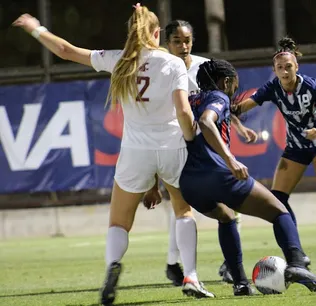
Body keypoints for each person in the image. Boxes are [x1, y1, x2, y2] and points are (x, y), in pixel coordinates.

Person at [12, 4, 215, 305]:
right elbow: (184, 112)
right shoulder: (174, 64)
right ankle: (192, 277)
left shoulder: (119, 60)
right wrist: (194, 143)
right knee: (183, 212)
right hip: (173, 146)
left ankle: (112, 267)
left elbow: (66, 51)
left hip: (135, 151)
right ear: (158, 34)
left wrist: (36, 28)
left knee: (119, 223)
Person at [179, 58, 316, 296]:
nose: (233, 90)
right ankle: (297, 264)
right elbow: (206, 122)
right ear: (226, 81)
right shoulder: (218, 97)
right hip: (218, 173)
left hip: (189, 183)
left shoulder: (189, 100)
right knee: (279, 211)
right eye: (233, 85)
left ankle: (240, 283)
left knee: (226, 216)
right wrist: (230, 160)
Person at [232, 37, 316, 274]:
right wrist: (234, 117)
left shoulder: (311, 86)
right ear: (274, 70)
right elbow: (239, 108)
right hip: (296, 147)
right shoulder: (272, 88)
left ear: (297, 67)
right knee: (277, 200)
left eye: (288, 67)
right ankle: (297, 254)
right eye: (279, 68)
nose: (284, 72)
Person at [158, 19, 256, 285]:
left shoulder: (204, 67)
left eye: (187, 40)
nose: (183, 45)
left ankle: (205, 264)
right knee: (183, 206)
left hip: (204, 145)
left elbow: (219, 100)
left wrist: (238, 127)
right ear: (167, 44)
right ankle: (177, 263)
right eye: (177, 41)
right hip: (174, 143)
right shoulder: (161, 69)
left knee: (222, 204)